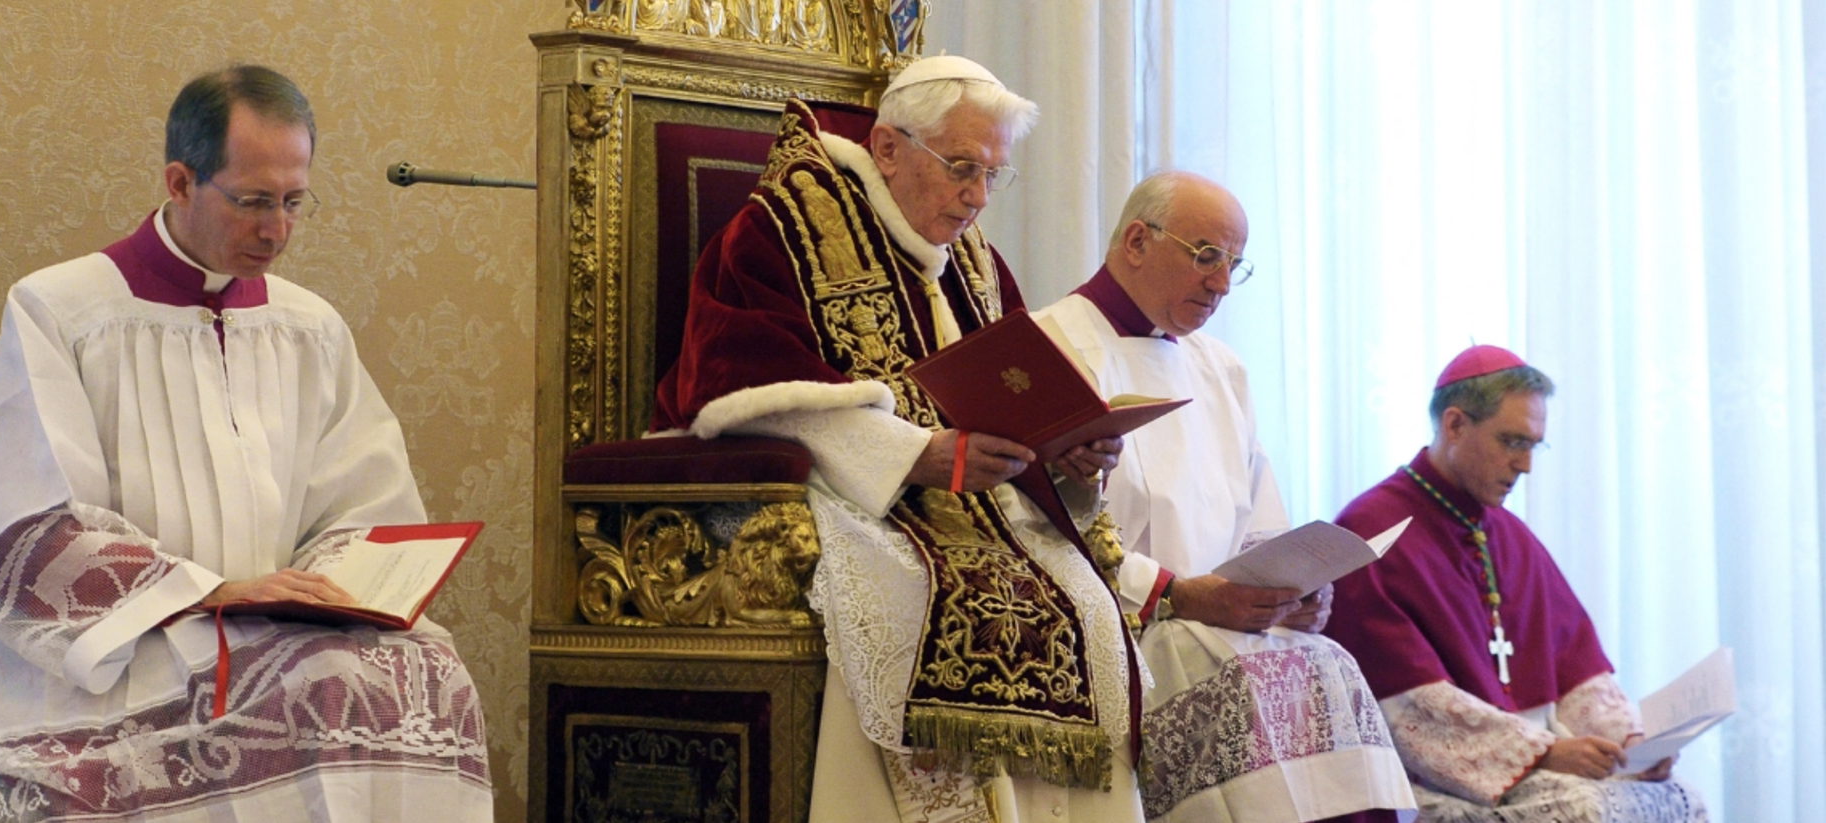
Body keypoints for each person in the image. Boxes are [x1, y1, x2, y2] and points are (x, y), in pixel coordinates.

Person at [0, 65, 491, 821]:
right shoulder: (62, 312)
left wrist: (321, 593)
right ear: (180, 182)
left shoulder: (307, 327)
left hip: (272, 636)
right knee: (295, 693)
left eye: (293, 202)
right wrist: (209, 592)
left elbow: (364, 505)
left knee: (427, 678)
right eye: (252, 201)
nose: (275, 230)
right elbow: (27, 525)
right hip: (115, 654)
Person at [651, 56, 1142, 822]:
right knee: (903, 593)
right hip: (854, 496)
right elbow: (733, 389)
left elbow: (1021, 391)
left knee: (1087, 601)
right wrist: (914, 453)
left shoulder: (974, 260)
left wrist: (1066, 454)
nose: (977, 198)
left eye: (991, 175)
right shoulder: (778, 228)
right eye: (960, 168)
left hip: (977, 505)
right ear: (887, 149)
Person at [1033, 171, 1415, 823]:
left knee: (1329, 664)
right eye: (1207, 255)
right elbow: (1040, 529)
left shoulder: (1220, 366)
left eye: (1235, 264)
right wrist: (1177, 593)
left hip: (1224, 629)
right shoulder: (1049, 346)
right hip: (1124, 632)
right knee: (1227, 678)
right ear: (1135, 241)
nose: (1221, 284)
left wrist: (1292, 591)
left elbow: (1259, 524)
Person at [1326, 346, 1706, 822]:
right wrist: (1543, 753)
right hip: (1431, 786)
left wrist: (1630, 748)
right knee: (1583, 811)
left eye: (1533, 445)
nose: (1525, 465)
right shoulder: (1373, 531)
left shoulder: (1510, 536)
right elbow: (1406, 706)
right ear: (1455, 425)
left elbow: (1579, 674)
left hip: (1529, 771)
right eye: (1512, 442)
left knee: (1679, 798)